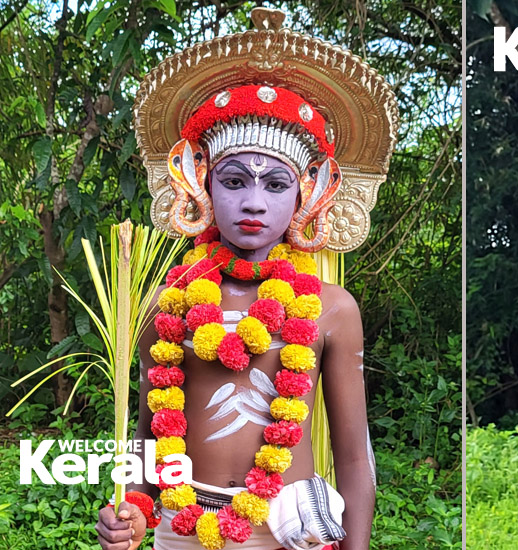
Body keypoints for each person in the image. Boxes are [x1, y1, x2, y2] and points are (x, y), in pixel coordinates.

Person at [95, 7, 397, 550]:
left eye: (276, 185)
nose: (253, 202)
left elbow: (355, 454)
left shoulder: (332, 308)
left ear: (308, 194)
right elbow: (145, 435)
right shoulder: (167, 303)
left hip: (291, 529)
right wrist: (134, 511)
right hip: (183, 529)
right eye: (234, 180)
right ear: (201, 185)